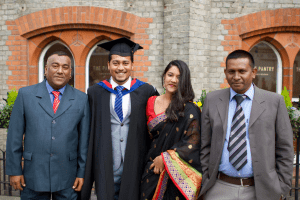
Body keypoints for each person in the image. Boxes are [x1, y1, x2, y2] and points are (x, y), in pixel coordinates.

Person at [200, 50, 293, 200]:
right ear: (225, 72)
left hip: (261, 191)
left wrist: (281, 188)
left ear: (254, 72)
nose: (236, 77)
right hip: (219, 188)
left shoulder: (274, 102)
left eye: (242, 71)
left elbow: (285, 149)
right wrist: (206, 180)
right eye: (231, 71)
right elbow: (205, 145)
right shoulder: (212, 100)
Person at [80, 37, 159, 200]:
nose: (120, 68)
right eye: (115, 63)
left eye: (125, 63)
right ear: (108, 65)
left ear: (132, 65)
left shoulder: (146, 91)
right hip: (105, 166)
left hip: (136, 165)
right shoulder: (95, 92)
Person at [6, 51, 90, 199]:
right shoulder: (26, 95)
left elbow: (84, 141)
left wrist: (81, 173)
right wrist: (14, 170)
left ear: (70, 73)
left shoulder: (81, 99)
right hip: (33, 174)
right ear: (46, 69)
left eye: (65, 67)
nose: (60, 71)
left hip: (67, 175)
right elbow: (14, 136)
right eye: (55, 66)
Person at [140, 60, 202, 200]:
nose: (173, 80)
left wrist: (165, 158)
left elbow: (193, 142)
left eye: (179, 77)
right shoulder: (151, 102)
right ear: (164, 76)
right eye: (170, 75)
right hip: (149, 172)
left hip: (175, 179)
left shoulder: (189, 109)